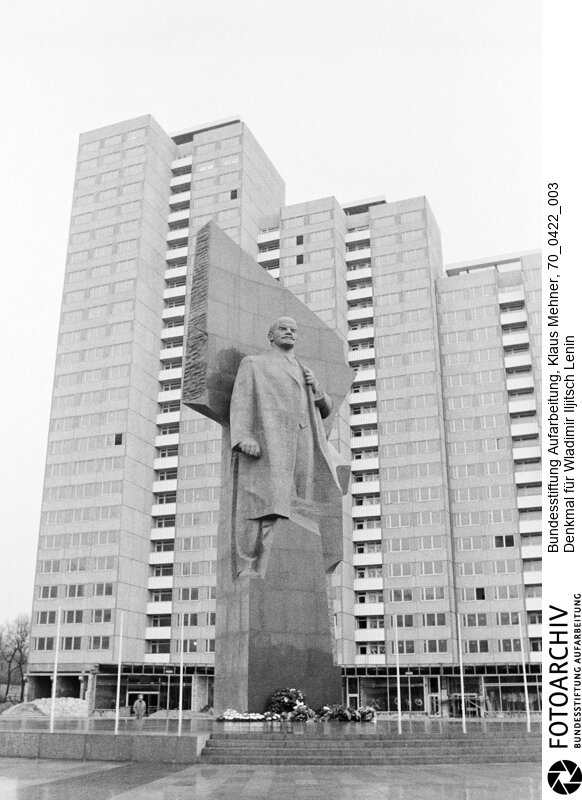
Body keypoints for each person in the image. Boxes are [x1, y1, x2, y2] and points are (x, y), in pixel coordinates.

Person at [229, 316, 347, 576]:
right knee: (261, 504)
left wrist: (316, 388)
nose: (289, 333)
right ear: (271, 336)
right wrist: (243, 436)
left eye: (294, 330)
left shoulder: (304, 369)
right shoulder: (254, 364)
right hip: (271, 441)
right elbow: (241, 401)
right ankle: (249, 565)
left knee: (301, 505)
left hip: (305, 441)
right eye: (283, 329)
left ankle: (301, 566)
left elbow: (325, 409)